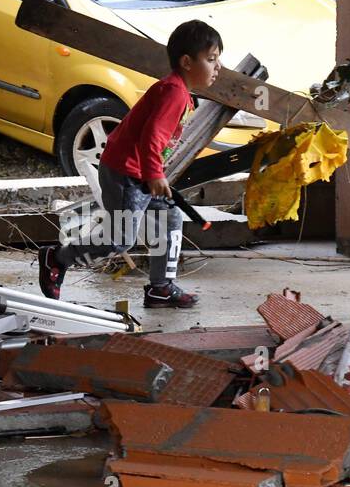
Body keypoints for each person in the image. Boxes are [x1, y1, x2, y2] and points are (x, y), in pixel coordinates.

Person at [39, 20, 222, 308]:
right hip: (125, 174)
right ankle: (58, 258)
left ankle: (161, 288)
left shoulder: (179, 92)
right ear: (187, 62)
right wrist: (154, 173)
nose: (218, 66)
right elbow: (152, 136)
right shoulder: (173, 93)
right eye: (211, 59)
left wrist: (153, 174)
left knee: (170, 218)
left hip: (140, 173)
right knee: (119, 240)